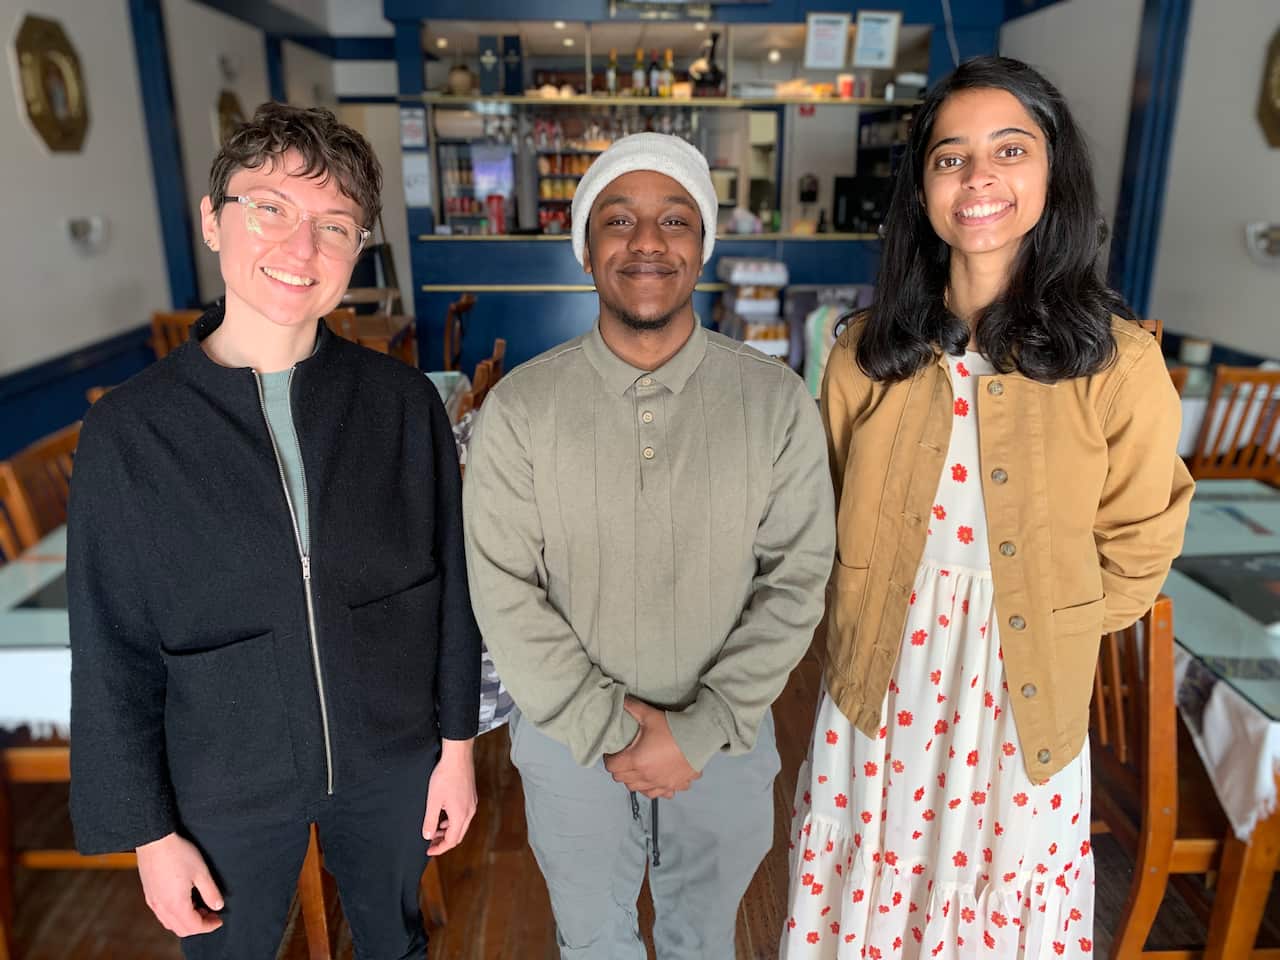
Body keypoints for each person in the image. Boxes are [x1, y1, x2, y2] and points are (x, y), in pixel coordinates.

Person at [780, 56, 1193, 959]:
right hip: (880, 681)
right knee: (867, 896)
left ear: (1053, 172)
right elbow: (822, 512)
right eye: (950, 157)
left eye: (1010, 149)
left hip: (1020, 700)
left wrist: (1049, 620)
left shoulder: (1118, 364)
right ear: (921, 188)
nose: (978, 178)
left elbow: (1139, 548)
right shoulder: (864, 354)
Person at [67, 102, 481, 960]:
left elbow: (451, 591)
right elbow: (109, 646)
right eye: (270, 208)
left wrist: (457, 748)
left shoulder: (402, 404)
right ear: (212, 221)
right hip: (222, 766)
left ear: (356, 251)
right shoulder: (130, 432)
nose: (302, 248)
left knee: (397, 940)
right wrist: (150, 833)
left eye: (335, 225)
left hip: (392, 749)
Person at [463, 132, 835, 959]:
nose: (646, 243)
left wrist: (699, 730)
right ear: (586, 247)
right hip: (569, 743)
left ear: (702, 245)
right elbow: (503, 586)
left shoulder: (775, 401)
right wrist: (610, 728)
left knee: (704, 940)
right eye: (618, 220)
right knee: (593, 941)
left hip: (726, 740)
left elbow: (797, 578)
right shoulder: (521, 408)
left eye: (674, 219)